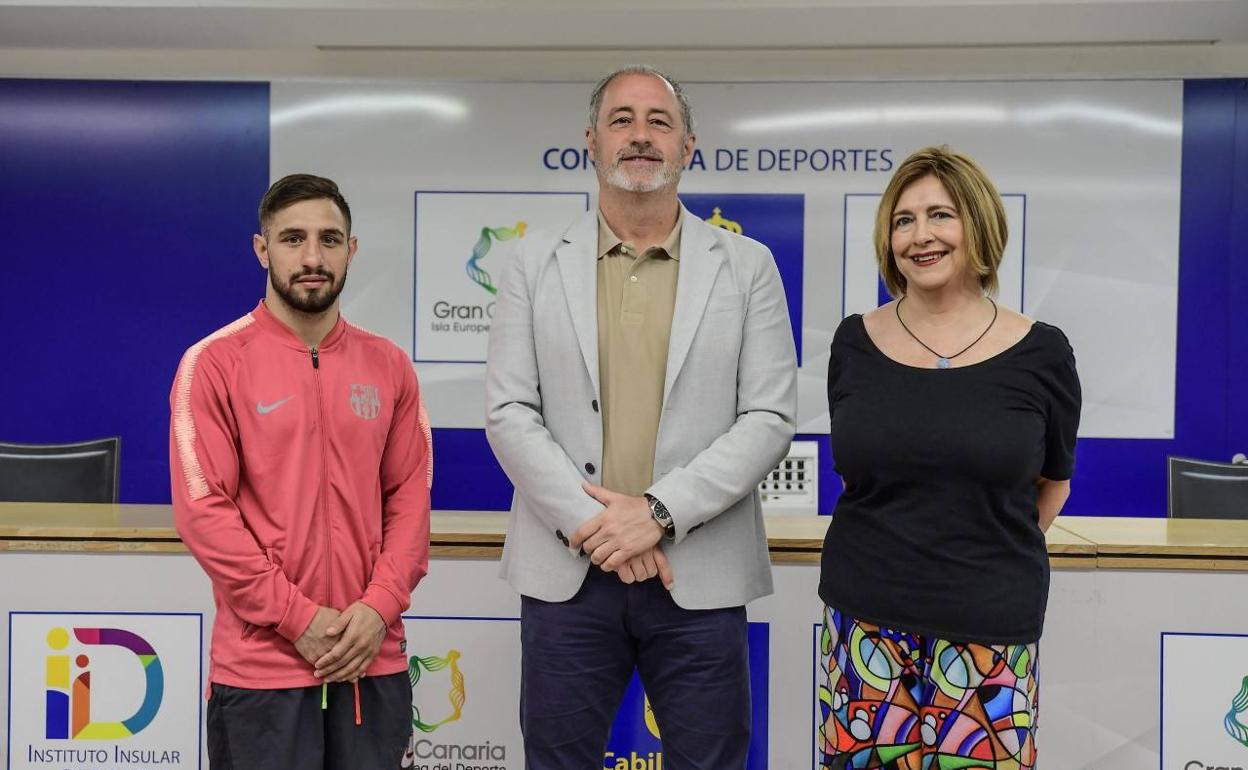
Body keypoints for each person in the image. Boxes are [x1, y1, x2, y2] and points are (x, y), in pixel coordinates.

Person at [484, 65, 797, 769]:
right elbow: (508, 411)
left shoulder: (747, 267)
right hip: (568, 575)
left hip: (699, 576)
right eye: (622, 119)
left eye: (660, 121)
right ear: (591, 142)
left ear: (689, 147)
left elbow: (769, 416)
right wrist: (602, 529)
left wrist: (655, 513)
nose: (640, 136)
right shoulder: (531, 266)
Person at [818, 146, 1081, 770]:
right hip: (865, 628)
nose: (920, 235)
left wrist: (976, 552)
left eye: (941, 215)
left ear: (978, 225)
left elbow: (1053, 486)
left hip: (991, 631)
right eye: (903, 220)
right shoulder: (853, 342)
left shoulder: (1042, 353)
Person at [169, 174, 432, 770]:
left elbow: (410, 500)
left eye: (329, 240)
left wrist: (377, 608)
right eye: (292, 239)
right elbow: (205, 514)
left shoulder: (390, 366)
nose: (313, 258)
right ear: (262, 250)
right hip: (262, 671)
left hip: (372, 662)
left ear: (351, 249)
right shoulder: (212, 364)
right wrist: (299, 618)